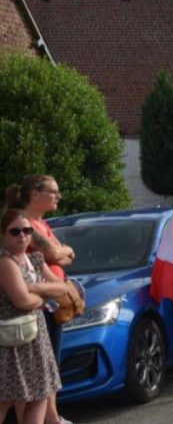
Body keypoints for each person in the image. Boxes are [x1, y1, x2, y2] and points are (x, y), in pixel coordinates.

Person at [5, 175, 74, 424]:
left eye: (26, 232)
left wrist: (58, 258)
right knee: (21, 387)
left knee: (43, 379)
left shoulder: (39, 227)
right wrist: (44, 289)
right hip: (23, 320)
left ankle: (53, 419)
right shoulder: (20, 225)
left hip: (43, 312)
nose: (23, 235)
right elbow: (56, 253)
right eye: (53, 191)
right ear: (35, 193)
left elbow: (64, 257)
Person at [0, 209, 63, 424]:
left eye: (27, 230)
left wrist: (33, 287)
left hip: (36, 337)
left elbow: (61, 287)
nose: (22, 236)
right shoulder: (4, 262)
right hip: (10, 342)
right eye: (15, 231)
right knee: (6, 399)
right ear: (3, 234)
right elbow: (22, 301)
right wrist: (43, 297)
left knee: (39, 394)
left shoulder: (34, 259)